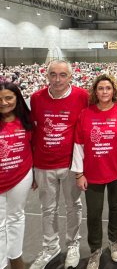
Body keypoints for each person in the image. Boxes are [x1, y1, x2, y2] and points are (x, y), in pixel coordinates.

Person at [71, 74, 117, 269]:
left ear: (114, 90)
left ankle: (114, 240)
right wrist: (79, 173)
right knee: (94, 213)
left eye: (108, 88)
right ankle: (95, 250)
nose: (105, 92)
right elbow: (78, 145)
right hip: (92, 172)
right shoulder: (85, 114)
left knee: (116, 207)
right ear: (95, 91)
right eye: (101, 88)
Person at [30, 60, 88, 269]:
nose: (57, 79)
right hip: (43, 164)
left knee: (73, 206)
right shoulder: (36, 98)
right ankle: (50, 246)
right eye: (53, 74)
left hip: (70, 164)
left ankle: (73, 243)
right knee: (48, 208)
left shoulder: (82, 96)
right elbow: (32, 131)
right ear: (47, 76)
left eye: (62, 75)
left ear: (70, 76)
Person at [0, 79, 34, 269]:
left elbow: (32, 145)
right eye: (0, 99)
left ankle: (16, 257)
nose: (4, 103)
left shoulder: (25, 119)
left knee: (16, 217)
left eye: (8, 98)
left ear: (17, 98)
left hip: (21, 175)